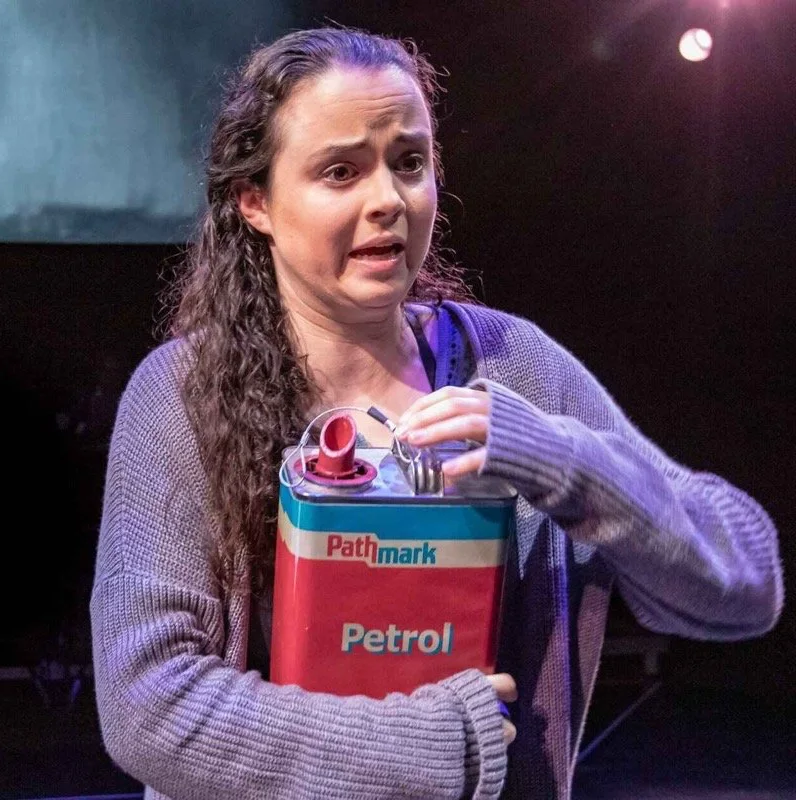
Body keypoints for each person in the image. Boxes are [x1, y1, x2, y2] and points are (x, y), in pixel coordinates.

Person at [89, 26, 782, 800]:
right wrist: (434, 742)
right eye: (341, 171)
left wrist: (565, 462)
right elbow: (148, 702)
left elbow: (745, 586)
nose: (388, 199)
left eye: (409, 163)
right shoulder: (185, 393)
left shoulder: (513, 369)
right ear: (256, 202)